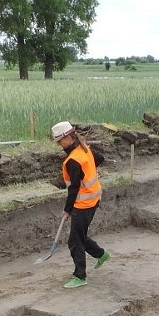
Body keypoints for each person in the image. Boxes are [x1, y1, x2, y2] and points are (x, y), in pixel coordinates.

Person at [51, 121, 110, 288]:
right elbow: (99, 158)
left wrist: (67, 210)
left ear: (68, 137)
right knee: (79, 236)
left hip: (83, 204)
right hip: (93, 199)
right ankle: (101, 254)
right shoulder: (84, 149)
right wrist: (87, 171)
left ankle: (80, 276)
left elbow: (74, 189)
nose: (59, 145)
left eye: (60, 141)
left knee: (75, 241)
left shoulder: (73, 160)